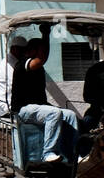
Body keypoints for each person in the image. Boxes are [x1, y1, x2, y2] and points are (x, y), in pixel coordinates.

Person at [11, 25, 78, 166]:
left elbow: (41, 59)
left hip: (38, 108)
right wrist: (46, 34)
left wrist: (45, 35)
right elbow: (41, 59)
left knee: (70, 115)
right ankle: (47, 153)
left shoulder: (39, 68)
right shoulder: (23, 64)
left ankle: (73, 154)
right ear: (31, 51)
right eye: (40, 50)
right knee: (54, 113)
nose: (44, 54)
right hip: (23, 110)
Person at [0, 36, 27, 118]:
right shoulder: (11, 65)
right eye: (23, 50)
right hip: (6, 109)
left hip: (4, 106)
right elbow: (19, 87)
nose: (25, 53)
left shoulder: (11, 61)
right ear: (14, 49)